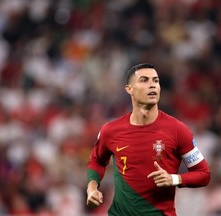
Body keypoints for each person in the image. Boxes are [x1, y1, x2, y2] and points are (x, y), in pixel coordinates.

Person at [86, 63, 211, 216]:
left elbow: (203, 174)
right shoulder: (110, 131)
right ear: (129, 89)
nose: (152, 85)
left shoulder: (178, 130)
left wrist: (174, 179)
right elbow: (97, 160)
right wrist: (92, 187)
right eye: (144, 80)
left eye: (155, 81)